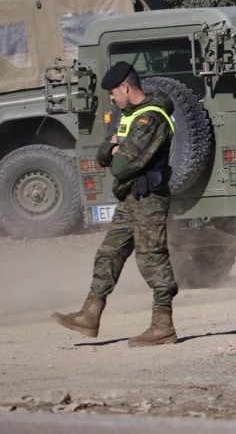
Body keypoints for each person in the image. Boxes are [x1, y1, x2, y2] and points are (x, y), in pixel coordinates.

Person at [51, 61, 179, 346]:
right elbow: (103, 153)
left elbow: (121, 166)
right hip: (130, 198)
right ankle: (90, 315)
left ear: (125, 87)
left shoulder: (151, 118)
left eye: (112, 93)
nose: (111, 98)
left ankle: (163, 325)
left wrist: (116, 151)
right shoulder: (129, 116)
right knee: (109, 253)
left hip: (149, 199)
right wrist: (113, 147)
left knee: (152, 258)